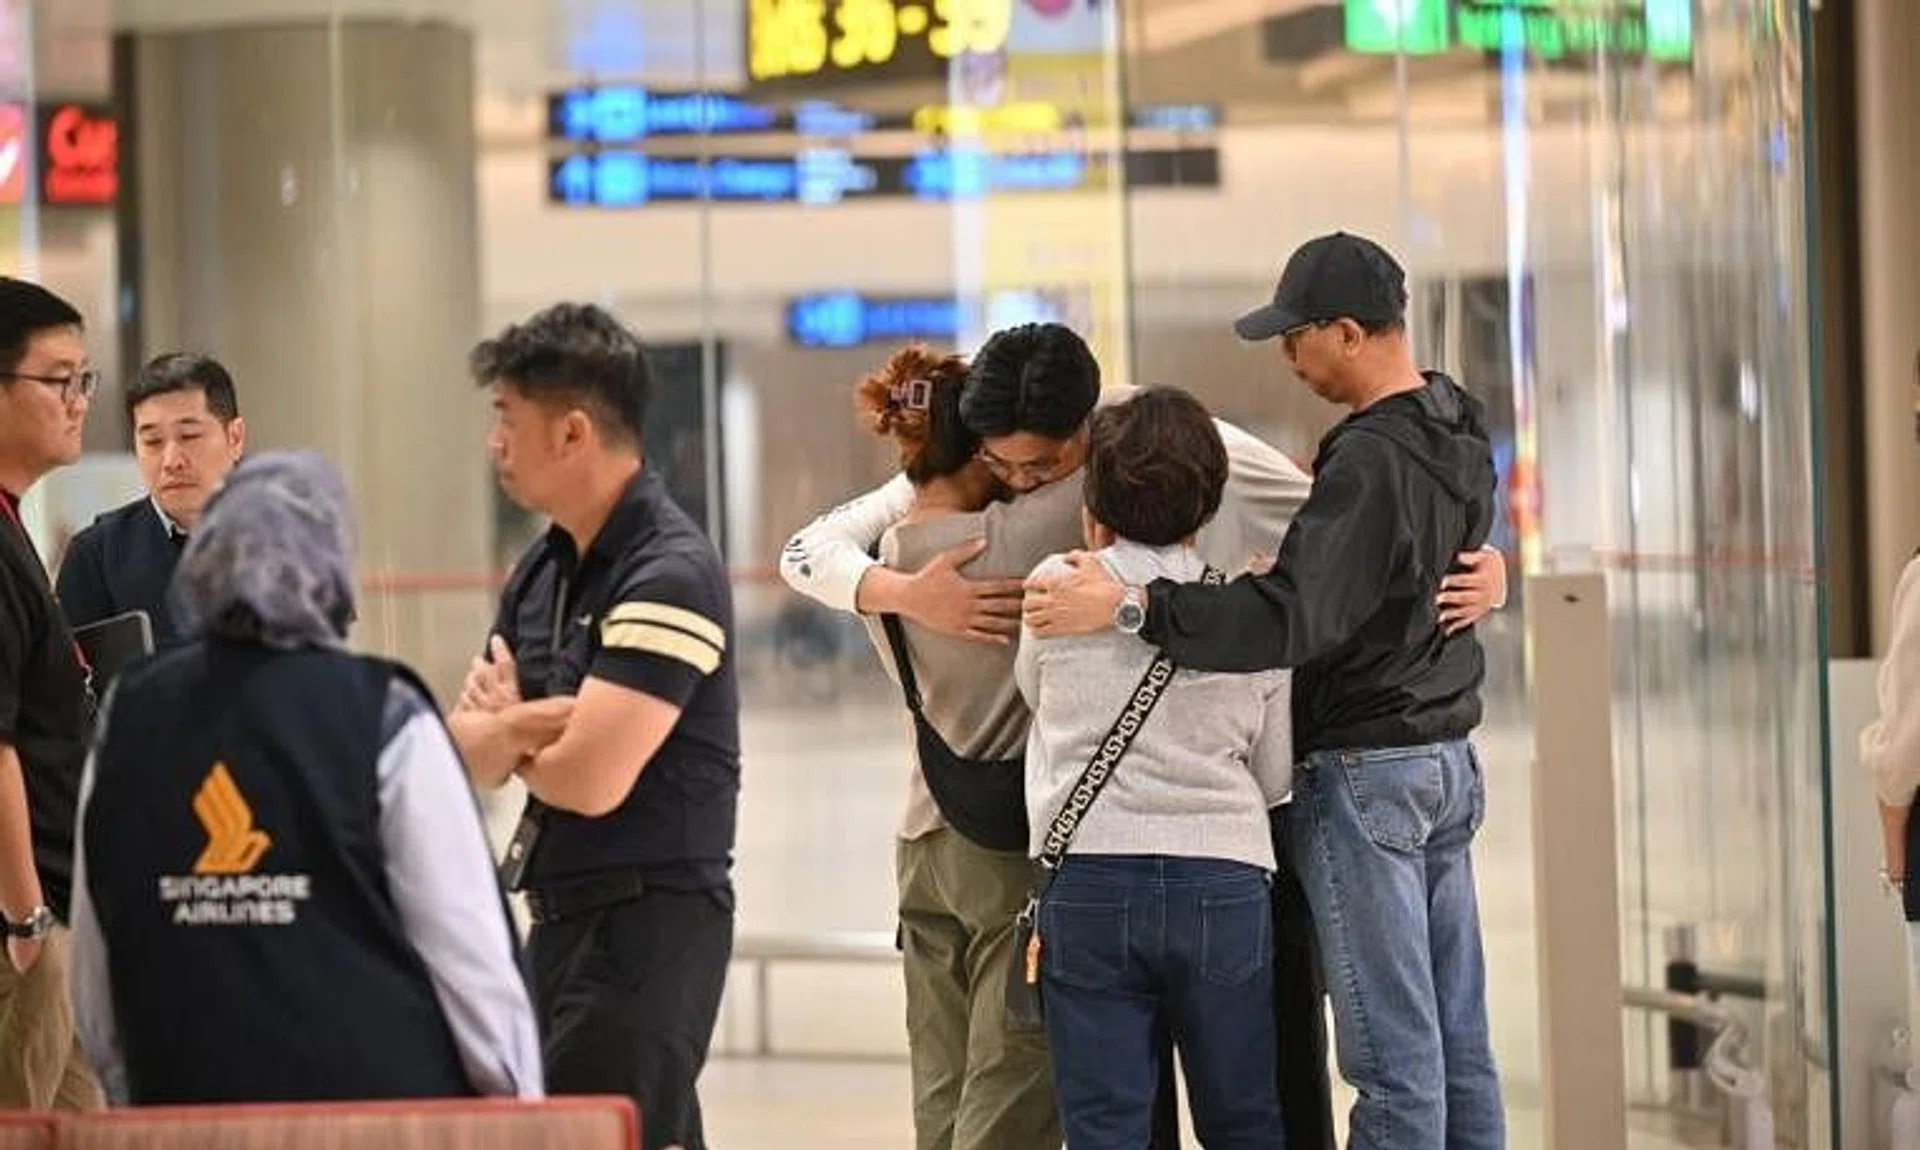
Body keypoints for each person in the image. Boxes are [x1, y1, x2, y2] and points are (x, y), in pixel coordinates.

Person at [780, 321, 1505, 1150]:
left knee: (1082, 1110)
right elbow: (1271, 759)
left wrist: (893, 584)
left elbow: (1352, 528)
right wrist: (904, 592)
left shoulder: (1119, 475)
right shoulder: (1085, 522)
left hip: (1050, 857)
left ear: (1089, 459)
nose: (1018, 481)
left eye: (1042, 467)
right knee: (1255, 1101)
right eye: (1000, 464)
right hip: (1219, 865)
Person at [1025, 232, 1506, 1150]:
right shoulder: (1457, 421)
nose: (1289, 357)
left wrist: (1130, 606)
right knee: (1458, 1042)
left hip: (1368, 770)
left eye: (1298, 336)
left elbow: (1291, 619)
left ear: (1350, 332)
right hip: (1446, 759)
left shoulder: (1366, 457)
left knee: (1392, 1058)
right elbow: (1435, 563)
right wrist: (1500, 572)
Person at [67, 450, 543, 1105]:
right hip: (374, 1114)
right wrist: (516, 1111)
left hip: (183, 1109)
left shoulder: (128, 714)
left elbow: (96, 969)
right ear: (333, 567)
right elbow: (471, 960)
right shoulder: (385, 716)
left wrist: (136, 1099)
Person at [450, 303, 739, 1150]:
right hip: (560, 918)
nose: (495, 444)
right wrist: (529, 729)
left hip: (651, 928)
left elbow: (592, 778)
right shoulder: (542, 570)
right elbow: (465, 750)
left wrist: (515, 731)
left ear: (572, 431)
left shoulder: (669, 572)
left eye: (508, 419)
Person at [1017, 386, 1292, 1150]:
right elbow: (1274, 779)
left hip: (1092, 878)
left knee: (1106, 1129)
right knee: (1243, 1120)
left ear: (1093, 496)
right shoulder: (1252, 610)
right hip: (1224, 881)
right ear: (1208, 503)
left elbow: (1032, 693)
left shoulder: (1055, 581)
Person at [850, 345, 1069, 1150]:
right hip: (998, 850)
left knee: (940, 1093)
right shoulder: (1004, 539)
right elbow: (1099, 438)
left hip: (920, 842)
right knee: (1012, 1077)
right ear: (982, 443)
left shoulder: (881, 561)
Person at [0, 277, 101, 1110]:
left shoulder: (16, 528)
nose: (78, 402)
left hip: (54, 916)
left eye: (84, 380)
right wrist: (27, 919)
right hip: (24, 932)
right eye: (58, 379)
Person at [57, 352, 246, 648]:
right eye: (153, 442)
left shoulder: (291, 538)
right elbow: (75, 684)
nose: (171, 461)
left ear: (234, 438)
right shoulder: (96, 555)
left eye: (189, 435)